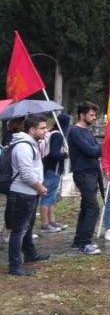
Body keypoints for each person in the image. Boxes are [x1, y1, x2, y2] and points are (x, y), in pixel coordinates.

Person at [7, 114, 50, 276]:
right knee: (19, 230)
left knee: (28, 226)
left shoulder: (31, 144)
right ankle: (15, 265)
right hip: (22, 194)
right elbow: (26, 174)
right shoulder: (24, 146)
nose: (45, 131)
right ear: (32, 129)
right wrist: (40, 188)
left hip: (29, 193)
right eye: (42, 128)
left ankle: (30, 254)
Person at [68, 101, 103, 255]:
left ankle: (78, 241)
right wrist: (97, 150)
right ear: (82, 115)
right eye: (91, 115)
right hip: (83, 173)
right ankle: (85, 243)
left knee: (86, 207)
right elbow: (91, 150)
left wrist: (97, 150)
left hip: (92, 173)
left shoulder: (88, 131)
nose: (94, 117)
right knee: (93, 208)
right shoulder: (74, 131)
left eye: (95, 115)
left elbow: (96, 148)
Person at [39, 113, 70, 233]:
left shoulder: (52, 132)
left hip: (50, 168)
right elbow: (54, 154)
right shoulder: (58, 135)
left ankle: (51, 221)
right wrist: (66, 154)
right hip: (53, 169)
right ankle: (45, 224)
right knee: (47, 197)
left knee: (51, 197)